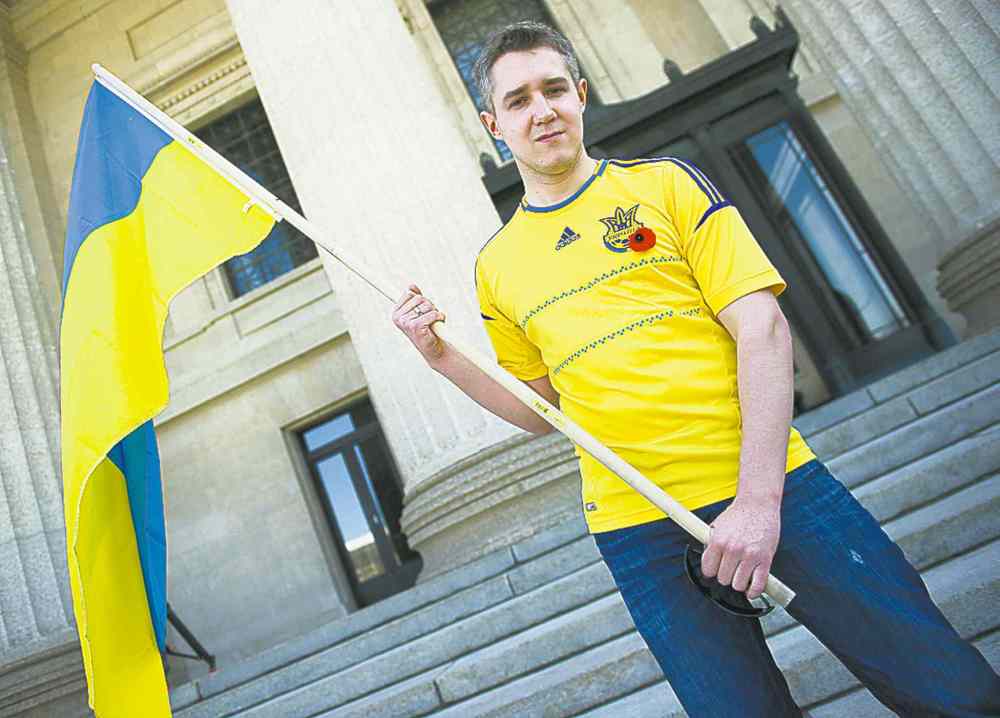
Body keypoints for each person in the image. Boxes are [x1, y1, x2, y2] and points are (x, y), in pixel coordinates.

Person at [391, 21, 999, 717]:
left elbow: (762, 327)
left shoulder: (668, 186)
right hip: (638, 532)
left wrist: (758, 502)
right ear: (494, 124)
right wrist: (439, 357)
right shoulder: (496, 266)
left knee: (951, 690)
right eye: (520, 99)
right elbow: (540, 409)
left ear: (582, 95)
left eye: (555, 89)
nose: (543, 110)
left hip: (778, 491)